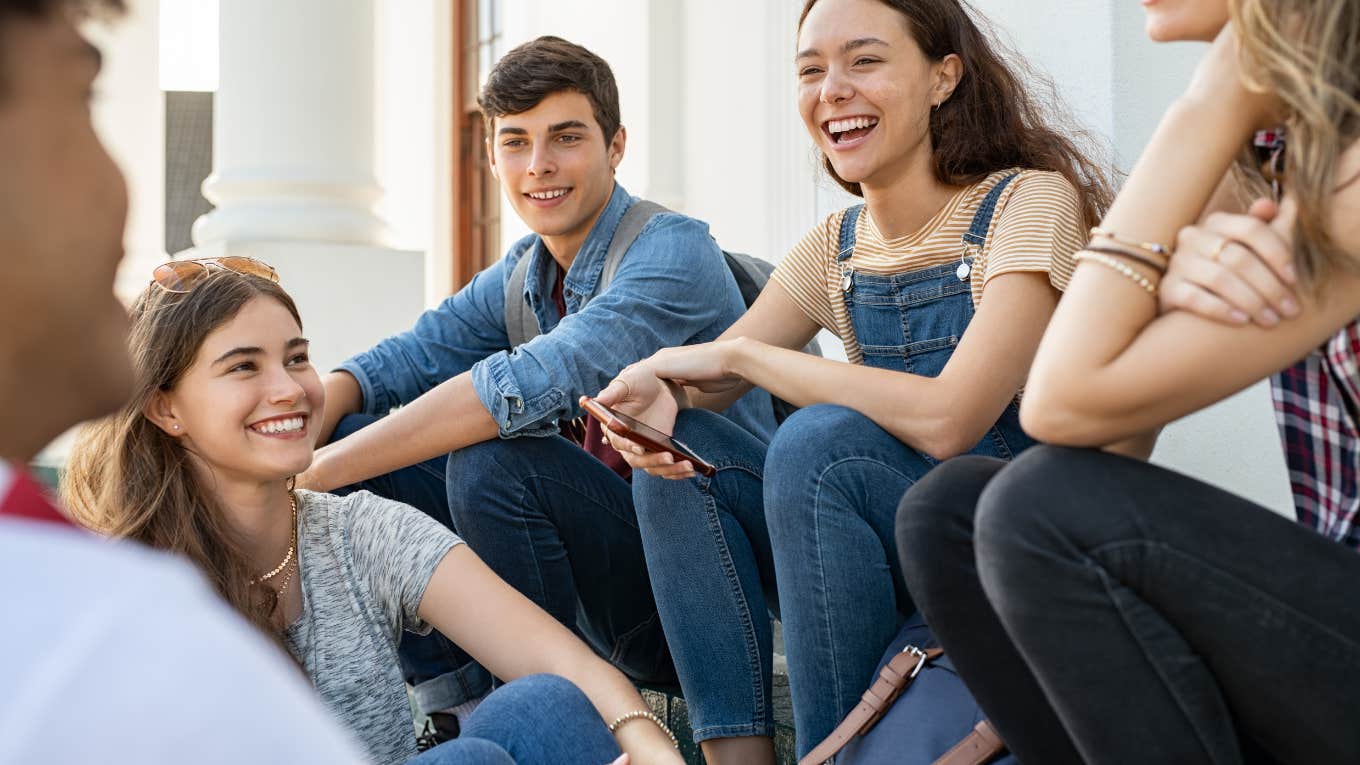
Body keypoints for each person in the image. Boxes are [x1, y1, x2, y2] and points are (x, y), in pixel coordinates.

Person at [593, 0, 1113, 760]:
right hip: (869, 557)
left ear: (944, 77)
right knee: (683, 461)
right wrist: (657, 402)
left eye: (864, 61)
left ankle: (834, 751)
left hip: (1001, 546)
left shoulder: (1027, 203)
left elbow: (949, 420)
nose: (832, 90)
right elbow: (709, 380)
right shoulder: (834, 245)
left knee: (821, 445)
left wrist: (740, 359)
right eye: (811, 71)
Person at [896, 0, 1360, 762]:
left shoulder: (1341, 167)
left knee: (1036, 507)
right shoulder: (1274, 147)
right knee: (948, 513)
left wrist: (1210, 101)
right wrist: (1167, 277)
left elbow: (1059, 401)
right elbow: (1105, 443)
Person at [295, 35, 775, 722]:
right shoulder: (526, 271)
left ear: (616, 146)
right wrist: (297, 453)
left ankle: (543, 712)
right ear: (491, 155)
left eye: (566, 137)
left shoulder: (672, 251)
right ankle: (457, 708)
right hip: (594, 569)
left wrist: (306, 479)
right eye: (515, 142)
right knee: (357, 437)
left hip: (700, 593)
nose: (539, 166)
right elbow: (397, 362)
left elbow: (516, 387)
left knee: (494, 461)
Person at [62, 263, 686, 765]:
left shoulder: (357, 532)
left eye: (297, 358)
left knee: (542, 705)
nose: (288, 388)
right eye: (244, 367)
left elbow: (563, 661)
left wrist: (652, 747)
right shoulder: (132, 585)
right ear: (166, 409)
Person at [0, 2, 364, 762]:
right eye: (80, 101)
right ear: (165, 406)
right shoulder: (105, 637)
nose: (119, 183)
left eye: (297, 357)